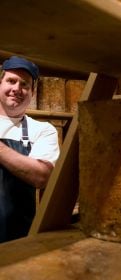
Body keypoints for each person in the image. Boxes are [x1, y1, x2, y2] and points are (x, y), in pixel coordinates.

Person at [0, 56, 60, 243]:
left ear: (32, 92)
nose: (17, 89)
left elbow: (41, 176)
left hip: (14, 237)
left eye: (24, 84)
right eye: (11, 81)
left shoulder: (43, 130)